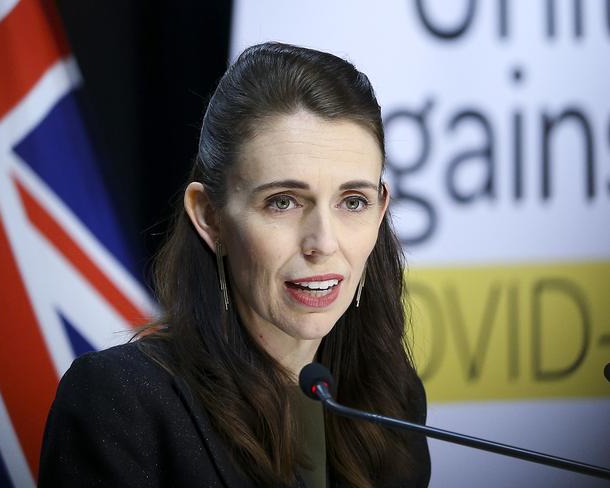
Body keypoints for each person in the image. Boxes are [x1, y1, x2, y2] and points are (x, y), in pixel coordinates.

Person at [38, 41, 431, 488]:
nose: (322, 242)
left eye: (353, 201)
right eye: (283, 202)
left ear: (380, 212)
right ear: (210, 217)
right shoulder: (120, 401)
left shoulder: (392, 400)